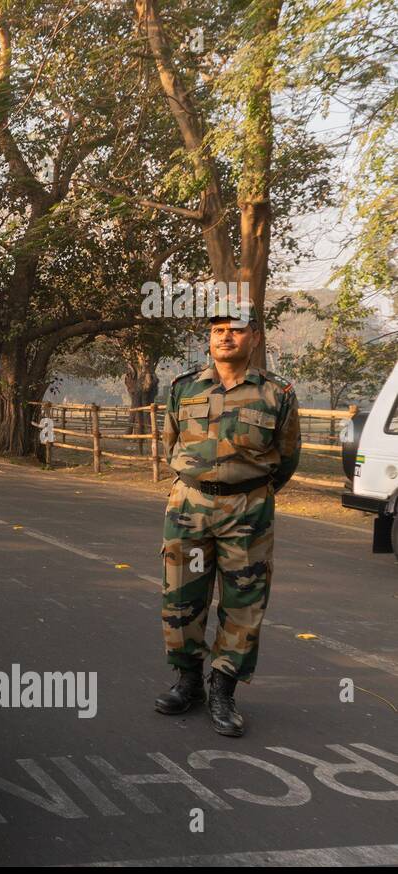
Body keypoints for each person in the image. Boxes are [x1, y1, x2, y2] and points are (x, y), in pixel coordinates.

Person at [155, 305, 301, 737]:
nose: (225, 337)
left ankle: (224, 690)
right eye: (218, 330)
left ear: (254, 337)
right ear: (209, 338)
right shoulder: (183, 388)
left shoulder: (277, 393)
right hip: (188, 508)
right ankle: (188, 683)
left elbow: (287, 458)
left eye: (235, 331)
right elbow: (171, 446)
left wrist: (250, 492)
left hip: (248, 512)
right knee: (181, 597)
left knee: (243, 604)